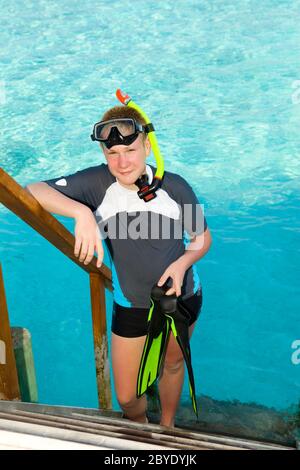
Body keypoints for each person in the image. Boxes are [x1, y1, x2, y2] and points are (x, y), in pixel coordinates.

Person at [25, 104, 212, 427]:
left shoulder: (176, 187)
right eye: (113, 154)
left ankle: (167, 427)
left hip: (180, 296)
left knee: (172, 363)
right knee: (127, 397)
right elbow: (33, 190)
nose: (122, 161)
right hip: (131, 304)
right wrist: (81, 213)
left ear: (147, 147)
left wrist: (184, 263)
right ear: (103, 152)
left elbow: (202, 238)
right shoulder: (96, 184)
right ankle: (138, 430)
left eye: (130, 149)